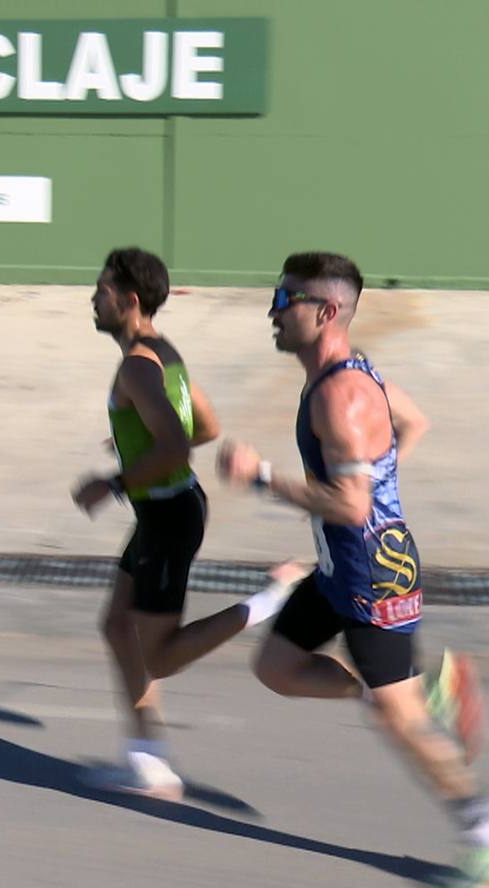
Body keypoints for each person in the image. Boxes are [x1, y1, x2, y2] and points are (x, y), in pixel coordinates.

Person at [217, 251, 489, 888]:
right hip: (339, 565)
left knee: (400, 723)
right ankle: (422, 690)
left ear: (325, 311)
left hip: (372, 577)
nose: (273, 312)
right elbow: (411, 423)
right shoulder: (351, 374)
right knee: (277, 670)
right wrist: (383, 487)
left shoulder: (341, 395)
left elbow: (350, 503)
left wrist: (261, 479)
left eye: (286, 301)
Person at [72, 247, 294, 800]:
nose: (92, 299)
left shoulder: (135, 366)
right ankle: (149, 761)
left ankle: (270, 601)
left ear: (129, 301)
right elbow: (205, 425)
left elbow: (175, 443)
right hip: (167, 511)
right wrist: (136, 441)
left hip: (168, 516)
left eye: (101, 291)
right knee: (117, 627)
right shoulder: (163, 354)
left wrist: (115, 482)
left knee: (162, 656)